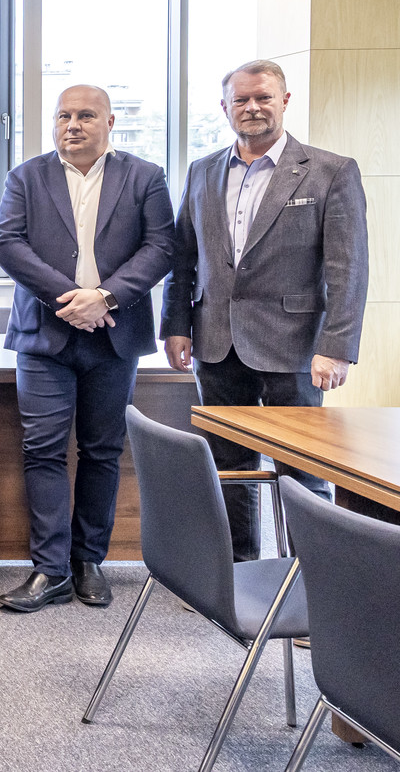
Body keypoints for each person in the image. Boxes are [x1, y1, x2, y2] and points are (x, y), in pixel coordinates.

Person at [161, 60, 368, 560]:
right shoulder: (203, 170)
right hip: (216, 341)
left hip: (295, 349)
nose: (252, 107)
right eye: (241, 100)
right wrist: (176, 325)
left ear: (284, 101)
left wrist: (337, 347)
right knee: (228, 467)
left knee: (302, 472)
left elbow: (349, 268)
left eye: (263, 97)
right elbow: (184, 256)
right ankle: (239, 572)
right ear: (225, 107)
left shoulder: (330, 171)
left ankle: (311, 580)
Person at [0, 84, 174, 612]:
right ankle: (50, 570)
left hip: (114, 334)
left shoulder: (144, 176)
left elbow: (161, 246)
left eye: (86, 115)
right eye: (63, 116)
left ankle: (89, 561)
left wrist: (105, 297)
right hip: (44, 336)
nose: (72, 125)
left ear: (109, 122)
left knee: (102, 450)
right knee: (42, 449)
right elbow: (7, 244)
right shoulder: (26, 176)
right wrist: (69, 298)